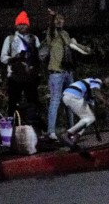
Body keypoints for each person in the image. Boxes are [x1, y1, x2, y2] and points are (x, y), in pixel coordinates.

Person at [39, 9, 91, 142]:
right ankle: (51, 132)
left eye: (61, 19)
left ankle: (71, 131)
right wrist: (52, 18)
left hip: (68, 72)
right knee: (55, 101)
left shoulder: (65, 34)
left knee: (70, 102)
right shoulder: (52, 34)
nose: (59, 21)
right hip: (56, 72)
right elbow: (51, 28)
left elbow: (73, 45)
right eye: (57, 19)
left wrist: (85, 49)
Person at [0, 11, 42, 127]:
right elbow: (3, 58)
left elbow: (40, 55)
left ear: (28, 25)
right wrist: (14, 58)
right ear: (16, 25)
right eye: (20, 24)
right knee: (13, 103)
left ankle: (34, 127)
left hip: (31, 76)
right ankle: (12, 128)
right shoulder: (10, 39)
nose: (22, 26)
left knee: (33, 102)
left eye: (24, 24)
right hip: (15, 76)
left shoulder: (34, 38)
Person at [60, 76, 109, 148]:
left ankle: (75, 139)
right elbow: (96, 91)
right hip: (74, 96)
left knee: (86, 119)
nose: (108, 83)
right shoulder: (96, 81)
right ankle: (67, 135)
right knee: (89, 118)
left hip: (69, 96)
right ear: (105, 79)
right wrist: (104, 101)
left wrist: (97, 133)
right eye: (108, 80)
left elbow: (92, 111)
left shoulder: (90, 92)